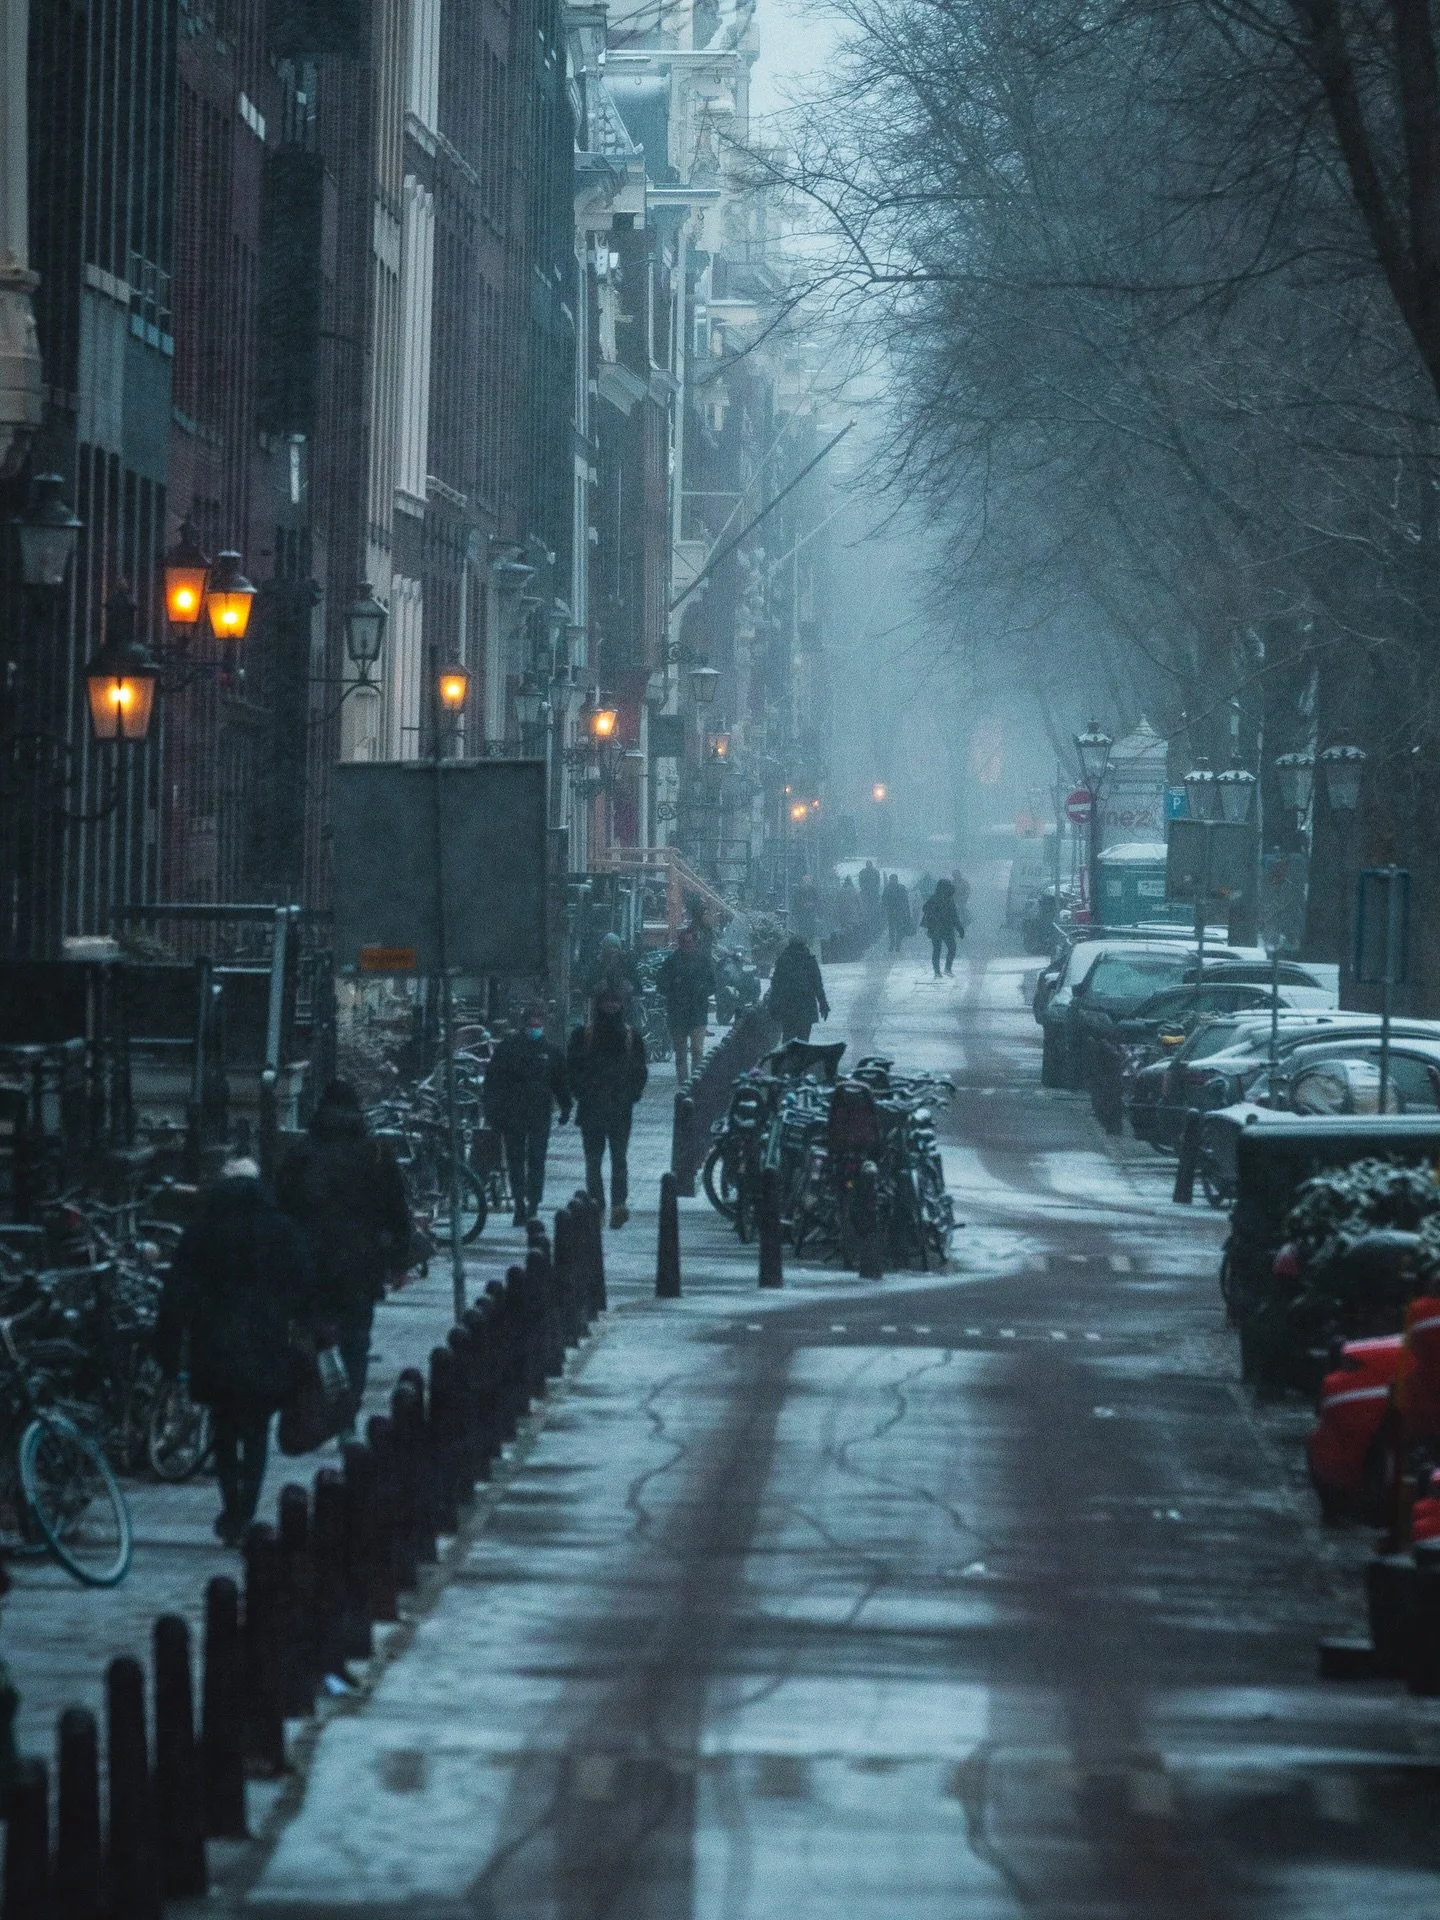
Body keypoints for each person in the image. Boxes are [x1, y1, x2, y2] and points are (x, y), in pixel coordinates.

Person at [156, 1156, 316, 1545]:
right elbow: (304, 1283)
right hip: (265, 1341)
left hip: (215, 1343)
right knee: (256, 1428)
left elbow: (176, 1294)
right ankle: (248, 1507)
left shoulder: (202, 1231)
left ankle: (231, 1506)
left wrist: (169, 1349)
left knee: (224, 1427)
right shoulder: (281, 1229)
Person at [276, 1080, 410, 1422]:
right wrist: (399, 1260)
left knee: (313, 1334)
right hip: (360, 1264)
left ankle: (318, 1399)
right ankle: (348, 1408)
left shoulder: (302, 1155)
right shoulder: (375, 1154)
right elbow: (396, 1209)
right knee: (356, 1339)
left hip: (311, 1263)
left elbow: (282, 1209)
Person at [483, 999, 571, 1223]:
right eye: (532, 1022)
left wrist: (565, 1106)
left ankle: (532, 1204)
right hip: (513, 1113)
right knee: (516, 1160)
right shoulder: (509, 1048)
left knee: (536, 1159)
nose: (535, 1026)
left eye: (538, 1022)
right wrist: (493, 1110)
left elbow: (560, 1082)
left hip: (539, 1113)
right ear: (525, 1023)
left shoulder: (551, 1052)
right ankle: (520, 1203)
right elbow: (493, 1081)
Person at [567, 987, 648, 1228]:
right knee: (594, 1160)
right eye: (607, 1002)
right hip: (592, 1106)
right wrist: (582, 1091)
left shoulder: (630, 1036)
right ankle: (597, 1205)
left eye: (615, 1002)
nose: (611, 1006)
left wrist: (631, 1094)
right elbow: (572, 1067)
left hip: (619, 1107)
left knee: (619, 1158)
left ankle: (618, 1205)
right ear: (598, 1005)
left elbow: (640, 1070)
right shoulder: (584, 1034)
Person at [656, 926, 716, 1083]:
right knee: (681, 1053)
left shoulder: (704, 961)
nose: (687, 945)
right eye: (684, 942)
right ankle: (683, 1083)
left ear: (695, 943)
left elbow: (713, 983)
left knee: (697, 1050)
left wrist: (702, 991)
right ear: (680, 943)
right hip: (678, 1013)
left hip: (697, 1013)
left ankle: (695, 1083)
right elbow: (661, 983)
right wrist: (674, 990)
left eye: (690, 941)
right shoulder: (672, 962)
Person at [768, 935, 830, 1042]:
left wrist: (773, 1007)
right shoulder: (809, 960)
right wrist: (823, 1004)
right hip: (806, 1007)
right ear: (804, 945)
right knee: (803, 1041)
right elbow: (818, 985)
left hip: (788, 1008)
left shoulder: (783, 960)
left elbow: (776, 986)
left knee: (788, 1040)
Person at [921, 876, 964, 977]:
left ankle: (938, 972)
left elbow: (925, 908)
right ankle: (946, 969)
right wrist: (959, 929)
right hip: (946, 928)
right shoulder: (947, 900)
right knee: (950, 948)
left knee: (938, 950)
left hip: (936, 929)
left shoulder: (935, 898)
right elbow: (954, 916)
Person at [588, 932, 640, 1011]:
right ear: (604, 949)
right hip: (601, 1010)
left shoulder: (627, 966)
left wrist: (630, 988)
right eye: (609, 947)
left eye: (615, 947)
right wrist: (597, 987)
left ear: (619, 949)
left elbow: (638, 988)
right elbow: (587, 988)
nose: (612, 950)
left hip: (623, 1009)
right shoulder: (597, 966)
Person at [882, 873, 910, 953]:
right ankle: (898, 944)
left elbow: (883, 900)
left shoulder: (887, 889)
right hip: (899, 912)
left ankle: (892, 944)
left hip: (891, 911)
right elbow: (906, 901)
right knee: (899, 929)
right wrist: (907, 912)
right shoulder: (901, 888)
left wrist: (886, 908)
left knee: (891, 929)